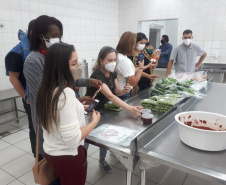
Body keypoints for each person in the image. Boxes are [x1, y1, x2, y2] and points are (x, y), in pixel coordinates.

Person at [23, 15, 101, 161]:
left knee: (69, 147)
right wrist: (76, 101)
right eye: (53, 36)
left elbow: (67, 78)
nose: (57, 39)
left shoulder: (56, 55)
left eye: (59, 35)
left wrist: (88, 81)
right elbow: (46, 95)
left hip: (66, 109)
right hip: (49, 115)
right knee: (53, 155)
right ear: (40, 36)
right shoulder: (33, 62)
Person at [36, 43, 100, 185]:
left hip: (52, 152)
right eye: (74, 63)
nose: (78, 67)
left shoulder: (46, 89)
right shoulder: (65, 93)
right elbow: (72, 139)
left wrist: (78, 107)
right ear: (60, 67)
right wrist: (95, 121)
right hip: (68, 156)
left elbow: (57, 114)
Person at [85, 46, 143, 172]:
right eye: (109, 60)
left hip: (104, 110)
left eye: (114, 60)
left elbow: (116, 91)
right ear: (101, 61)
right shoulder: (97, 75)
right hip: (91, 108)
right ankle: (82, 161)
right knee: (87, 136)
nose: (112, 63)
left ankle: (102, 160)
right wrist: (129, 108)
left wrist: (124, 90)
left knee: (104, 135)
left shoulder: (113, 73)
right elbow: (110, 96)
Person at [5, 20, 36, 158]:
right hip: (30, 98)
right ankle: (38, 157)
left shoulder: (37, 50)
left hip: (44, 96)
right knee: (35, 127)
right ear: (32, 33)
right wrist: (25, 97)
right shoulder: (16, 53)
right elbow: (13, 78)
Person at [116, 31, 144, 100]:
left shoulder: (118, 56)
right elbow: (133, 82)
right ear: (129, 45)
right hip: (122, 93)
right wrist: (141, 68)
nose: (135, 47)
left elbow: (124, 72)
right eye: (134, 45)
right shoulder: (124, 60)